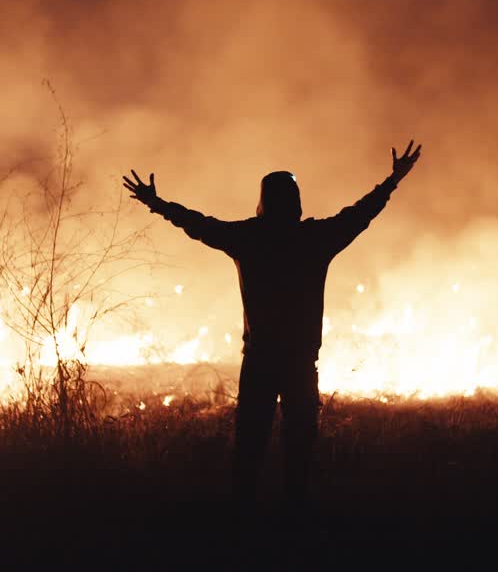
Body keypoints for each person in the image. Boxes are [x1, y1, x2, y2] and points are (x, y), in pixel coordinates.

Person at [122, 140, 422, 512]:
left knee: (250, 446)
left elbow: (197, 224)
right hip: (299, 363)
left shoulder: (247, 238)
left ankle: (244, 522)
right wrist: (392, 180)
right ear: (296, 202)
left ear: (262, 201)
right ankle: (292, 521)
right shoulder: (316, 238)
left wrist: (156, 203)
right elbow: (361, 213)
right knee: (299, 446)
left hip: (260, 362)